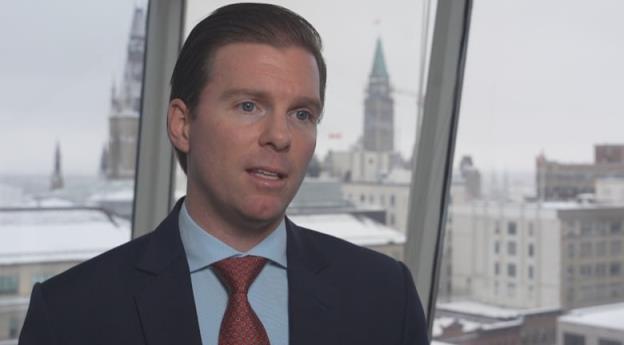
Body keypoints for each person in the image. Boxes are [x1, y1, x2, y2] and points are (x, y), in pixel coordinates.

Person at [19, 3, 429, 345]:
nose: (280, 136)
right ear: (182, 124)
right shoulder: (71, 315)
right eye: (249, 106)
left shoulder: (385, 296)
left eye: (302, 113)